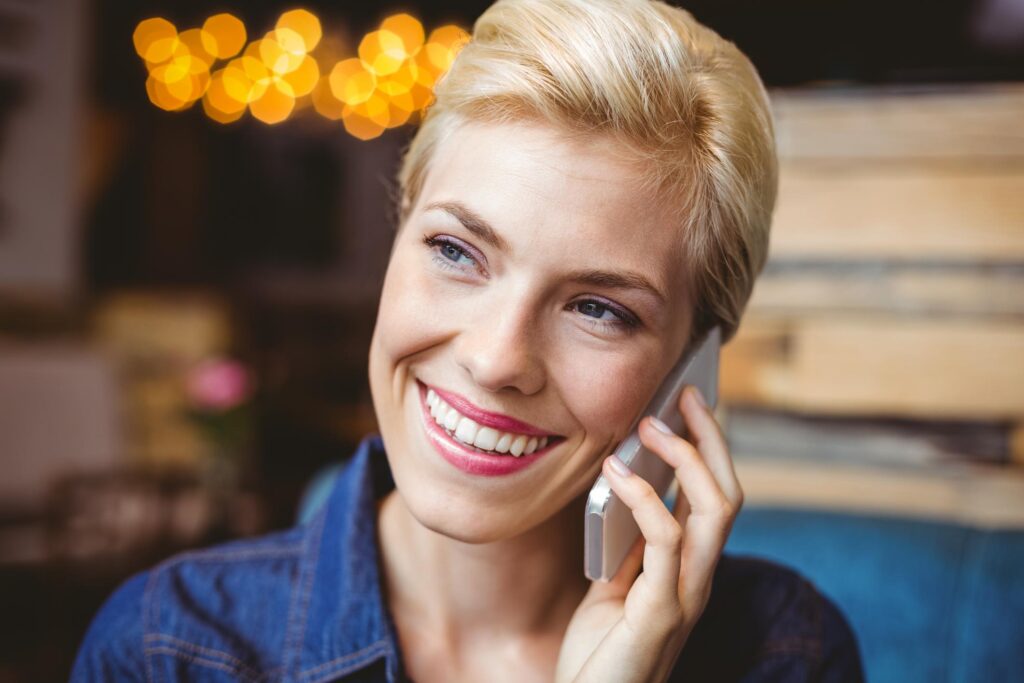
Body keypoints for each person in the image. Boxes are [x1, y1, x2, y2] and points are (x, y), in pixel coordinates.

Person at [72, 0, 864, 681]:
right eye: (457, 252)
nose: (494, 358)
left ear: (696, 363)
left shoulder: (784, 651)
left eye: (598, 308)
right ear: (400, 227)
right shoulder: (166, 650)